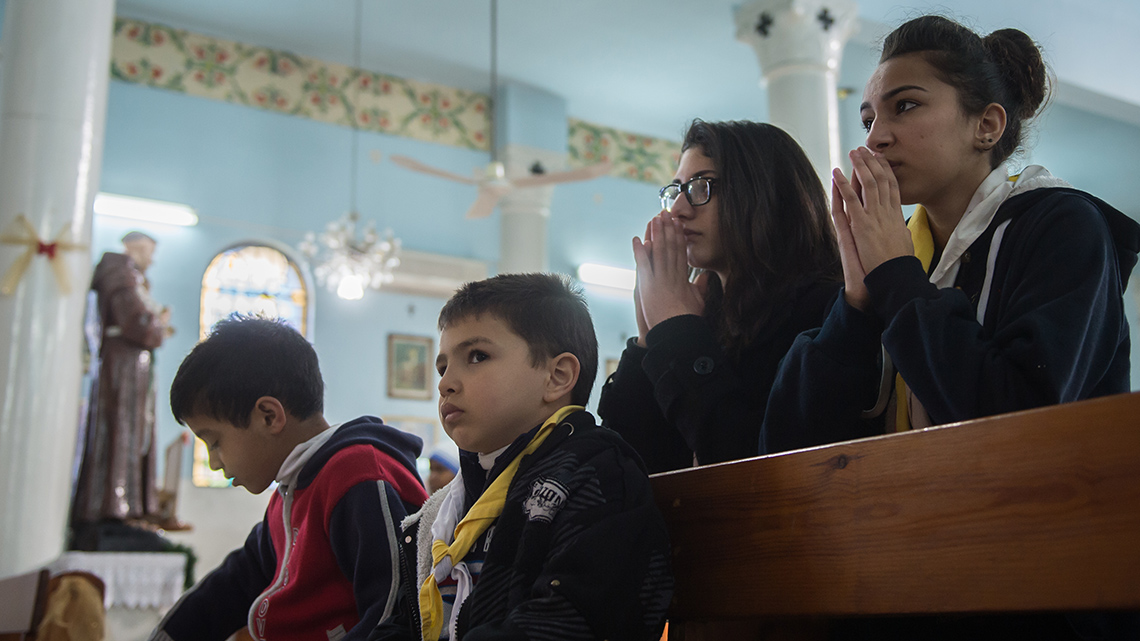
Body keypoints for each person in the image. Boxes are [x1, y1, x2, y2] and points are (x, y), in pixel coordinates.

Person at [762, 15, 1139, 454]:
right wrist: (856, 308)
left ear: (986, 126)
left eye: (904, 106)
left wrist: (897, 278)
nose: (875, 139)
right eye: (868, 121)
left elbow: (1022, 421)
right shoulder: (898, 249)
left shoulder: (1063, 225)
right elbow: (785, 446)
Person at [371, 273, 673, 641]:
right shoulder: (443, 511)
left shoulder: (597, 476)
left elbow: (568, 620)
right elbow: (404, 623)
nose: (445, 382)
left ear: (557, 376)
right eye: (443, 366)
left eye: (477, 356)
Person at [151, 316, 429, 641]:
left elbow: (394, 613)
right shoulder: (291, 492)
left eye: (214, 442)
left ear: (269, 416)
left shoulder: (358, 474)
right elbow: (237, 581)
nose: (214, 463)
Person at [597, 119, 842, 472]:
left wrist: (677, 331)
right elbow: (625, 470)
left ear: (764, 193)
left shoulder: (826, 309)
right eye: (676, 190)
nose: (678, 209)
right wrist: (649, 339)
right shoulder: (704, 314)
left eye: (701, 186)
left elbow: (749, 464)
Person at [71, 231, 175, 547]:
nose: (151, 259)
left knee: (134, 433)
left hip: (134, 364)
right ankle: (111, 506)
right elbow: (136, 321)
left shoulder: (134, 277)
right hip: (122, 366)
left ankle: (127, 506)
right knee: (120, 432)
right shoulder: (118, 269)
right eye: (148, 251)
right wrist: (158, 324)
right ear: (133, 247)